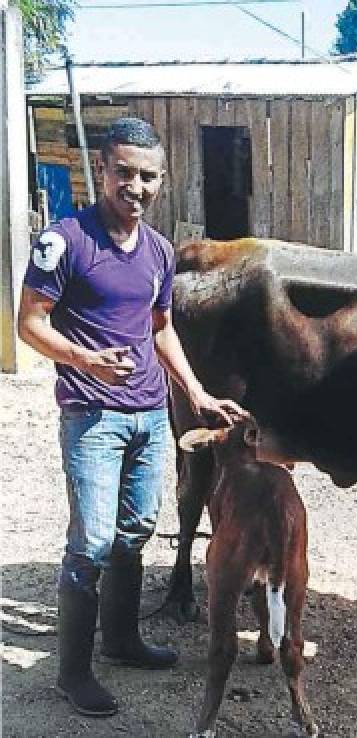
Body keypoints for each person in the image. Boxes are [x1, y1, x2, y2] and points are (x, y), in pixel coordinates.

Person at [17, 118, 247, 717]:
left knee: (137, 527)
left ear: (162, 181)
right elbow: (30, 325)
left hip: (148, 412)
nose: (135, 186)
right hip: (91, 415)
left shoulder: (160, 251)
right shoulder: (64, 241)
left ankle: (120, 642)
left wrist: (194, 390)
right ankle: (73, 674)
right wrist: (85, 360)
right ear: (102, 171)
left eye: (147, 176)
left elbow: (161, 328)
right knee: (91, 541)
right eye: (123, 172)